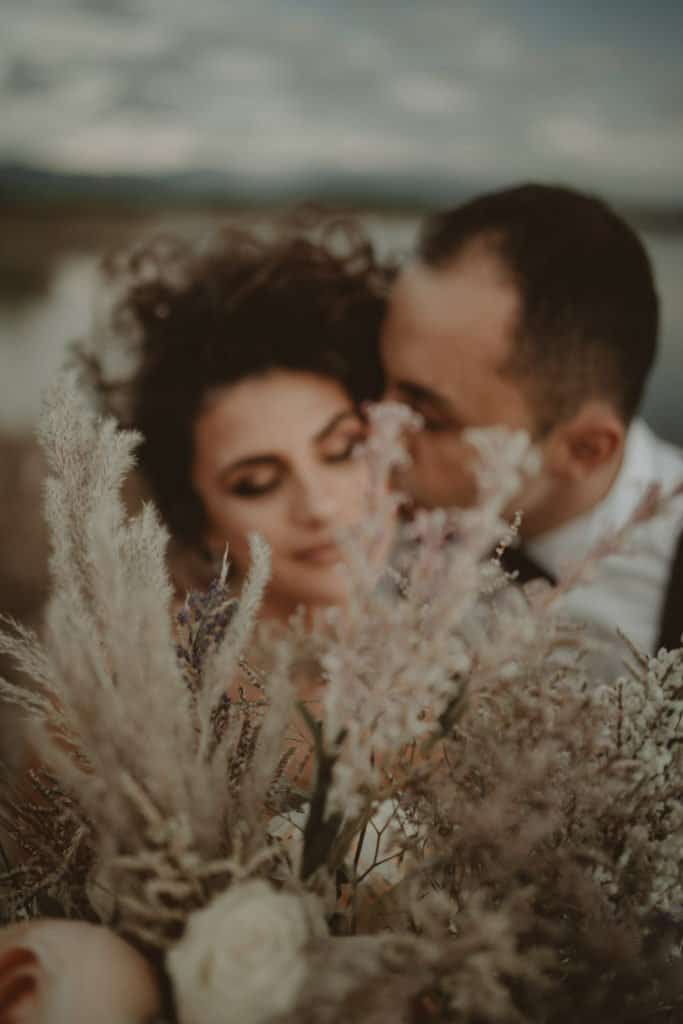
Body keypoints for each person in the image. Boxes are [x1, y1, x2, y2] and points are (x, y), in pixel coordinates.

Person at [380, 183, 683, 668]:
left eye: (430, 419)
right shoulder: (349, 510)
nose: (379, 436)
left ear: (584, 449)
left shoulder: (667, 587)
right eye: (378, 381)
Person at [85, 219, 394, 621]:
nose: (319, 505)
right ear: (198, 521)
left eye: (343, 450)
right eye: (257, 484)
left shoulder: (470, 643)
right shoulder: (157, 679)